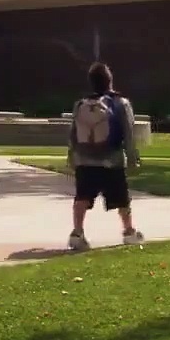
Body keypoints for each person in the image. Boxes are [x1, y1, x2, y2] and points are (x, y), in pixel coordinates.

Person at [66, 62, 144, 250]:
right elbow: (128, 134)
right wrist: (132, 159)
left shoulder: (81, 104)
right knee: (122, 198)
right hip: (112, 160)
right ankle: (129, 232)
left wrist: (72, 157)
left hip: (84, 160)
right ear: (110, 80)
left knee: (82, 197)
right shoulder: (121, 103)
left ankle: (77, 233)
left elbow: (73, 134)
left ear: (91, 82)